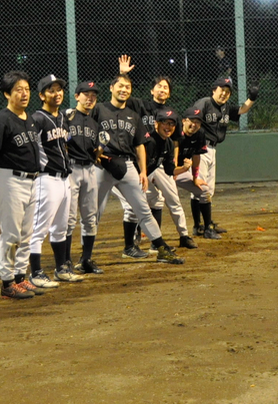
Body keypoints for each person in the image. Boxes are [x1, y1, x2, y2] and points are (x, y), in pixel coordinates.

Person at [94, 73, 183, 264]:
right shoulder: (99, 109)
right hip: (103, 166)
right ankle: (84, 257)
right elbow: (86, 130)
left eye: (127, 87)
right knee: (94, 212)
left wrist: (142, 171)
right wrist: (94, 154)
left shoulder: (134, 116)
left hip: (127, 165)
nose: (124, 89)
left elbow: (139, 144)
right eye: (120, 86)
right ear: (111, 88)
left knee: (142, 208)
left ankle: (159, 248)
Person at [116, 59, 196, 251]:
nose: (162, 89)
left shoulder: (172, 115)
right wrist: (123, 74)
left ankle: (183, 235)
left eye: (165, 87)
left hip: (159, 160)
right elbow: (122, 96)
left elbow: (175, 141)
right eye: (159, 86)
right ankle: (138, 237)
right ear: (152, 90)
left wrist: (174, 165)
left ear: (169, 93)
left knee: (171, 199)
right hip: (139, 161)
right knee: (138, 201)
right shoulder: (141, 106)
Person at [0, 70, 43, 299]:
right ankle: (7, 282)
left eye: (26, 89)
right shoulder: (2, 119)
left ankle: (20, 277)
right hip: (11, 179)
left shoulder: (29, 119)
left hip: (32, 179)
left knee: (26, 234)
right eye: (18, 90)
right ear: (7, 94)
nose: (24, 93)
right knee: (11, 234)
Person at [29, 74, 82, 286]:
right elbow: (31, 149)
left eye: (59, 89)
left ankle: (61, 268)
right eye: (51, 90)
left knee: (61, 227)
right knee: (39, 229)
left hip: (64, 179)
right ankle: (36, 273)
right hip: (46, 179)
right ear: (42, 95)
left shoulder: (62, 118)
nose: (57, 93)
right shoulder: (37, 119)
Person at [189, 75, 258, 238]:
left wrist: (252, 98)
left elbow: (241, 110)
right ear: (214, 90)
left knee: (208, 190)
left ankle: (204, 224)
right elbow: (191, 120)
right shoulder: (204, 103)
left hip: (212, 149)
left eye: (228, 91)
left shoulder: (225, 108)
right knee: (201, 189)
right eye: (222, 90)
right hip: (201, 148)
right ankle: (202, 226)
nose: (224, 94)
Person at [67, 81, 103, 274]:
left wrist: (100, 151)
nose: (90, 98)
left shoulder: (94, 124)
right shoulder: (66, 117)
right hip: (71, 169)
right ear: (76, 96)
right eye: (86, 94)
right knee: (69, 218)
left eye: (93, 96)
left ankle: (86, 259)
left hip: (89, 169)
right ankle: (65, 261)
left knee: (90, 218)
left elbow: (96, 153)